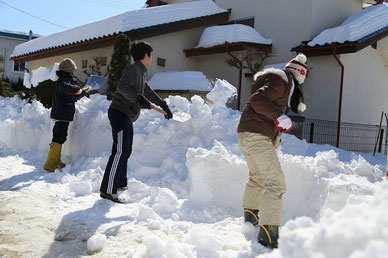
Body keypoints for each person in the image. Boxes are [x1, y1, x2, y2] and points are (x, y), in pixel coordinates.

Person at [237, 53, 308, 248]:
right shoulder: (280, 81)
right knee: (276, 183)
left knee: (258, 177)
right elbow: (258, 100)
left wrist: (276, 131)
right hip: (255, 135)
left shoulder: (276, 82)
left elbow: (261, 104)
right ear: (298, 76)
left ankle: (250, 218)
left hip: (247, 134)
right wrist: (278, 116)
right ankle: (269, 232)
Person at [100, 41, 173, 203]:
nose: (152, 58)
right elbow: (122, 87)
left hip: (126, 115)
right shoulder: (133, 69)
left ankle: (119, 183)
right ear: (146, 55)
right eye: (151, 55)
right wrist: (138, 99)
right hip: (119, 112)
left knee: (126, 150)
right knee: (119, 151)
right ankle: (107, 190)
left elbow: (146, 90)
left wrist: (162, 104)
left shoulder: (141, 73)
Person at [43, 58, 91, 172]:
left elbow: (72, 96)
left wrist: (83, 91)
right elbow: (66, 88)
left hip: (63, 114)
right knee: (58, 137)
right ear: (69, 71)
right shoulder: (63, 81)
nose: (74, 72)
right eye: (73, 70)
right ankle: (49, 164)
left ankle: (56, 160)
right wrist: (78, 89)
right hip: (61, 114)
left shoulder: (66, 80)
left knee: (60, 137)